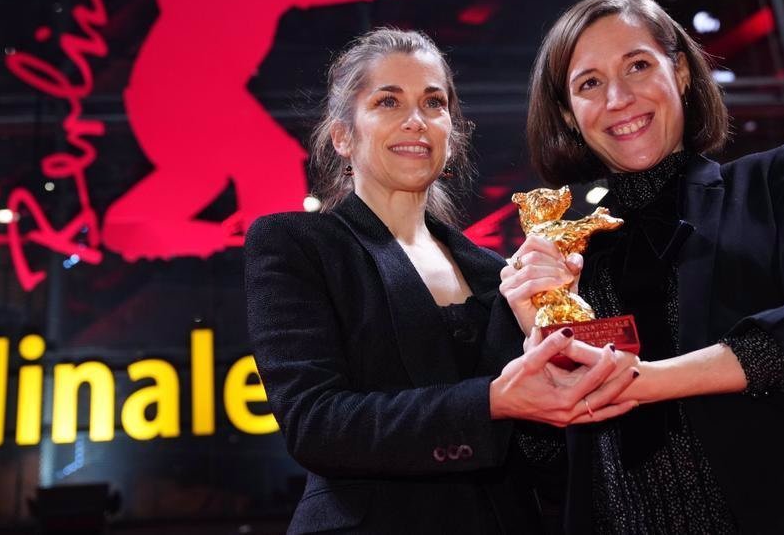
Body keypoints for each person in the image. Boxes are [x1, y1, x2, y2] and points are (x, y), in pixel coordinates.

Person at [499, 0, 784, 534]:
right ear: (569, 114)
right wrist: (539, 337)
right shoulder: (570, 254)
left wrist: (650, 380)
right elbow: (551, 467)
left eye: (637, 65)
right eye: (589, 83)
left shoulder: (774, 181)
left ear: (680, 71)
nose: (617, 97)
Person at [245, 28, 639, 534]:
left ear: (450, 132)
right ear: (343, 135)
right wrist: (491, 400)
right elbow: (316, 424)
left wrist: (547, 346)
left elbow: (544, 458)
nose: (416, 120)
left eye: (433, 102)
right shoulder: (296, 244)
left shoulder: (500, 273)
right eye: (388, 101)